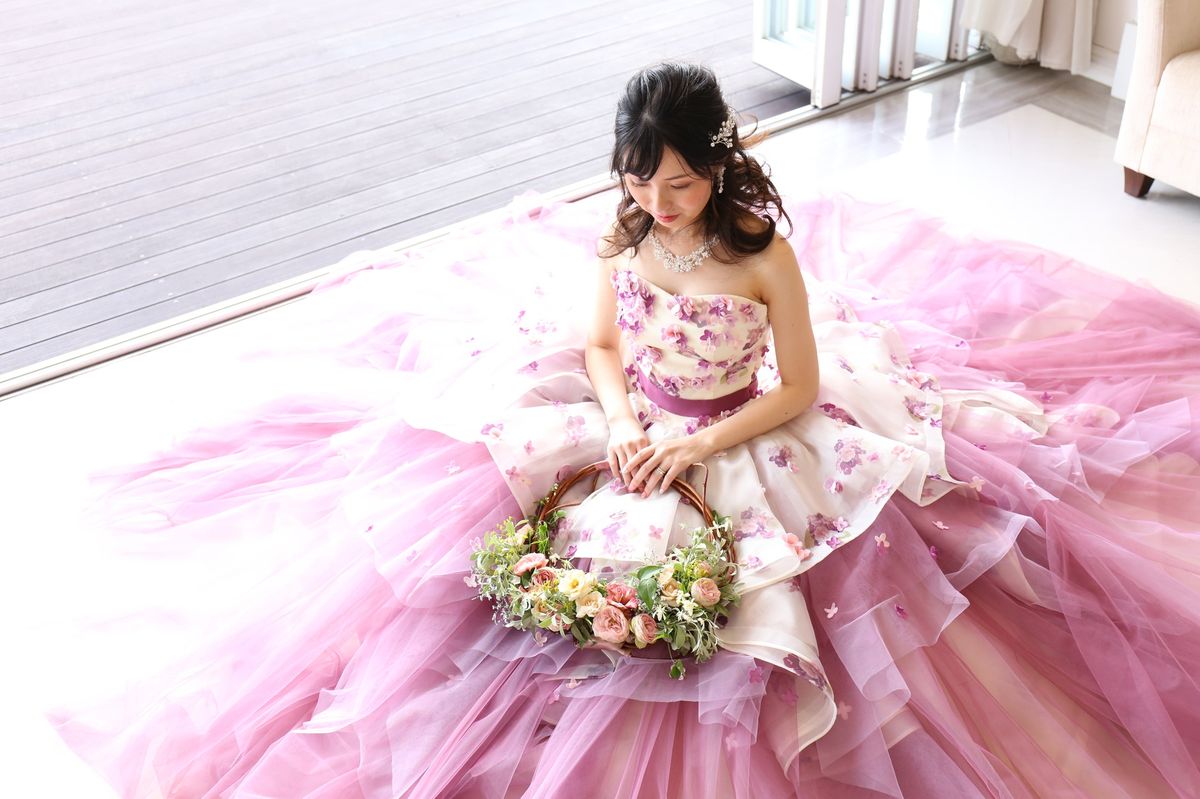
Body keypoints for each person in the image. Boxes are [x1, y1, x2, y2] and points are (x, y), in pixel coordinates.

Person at [38, 62, 1200, 798]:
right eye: (642, 182)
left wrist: (697, 445)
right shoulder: (627, 232)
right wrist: (621, 419)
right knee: (491, 558)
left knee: (783, 594)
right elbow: (602, 342)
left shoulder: (761, 254)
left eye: (680, 185)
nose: (659, 203)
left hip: (746, 428)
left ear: (721, 167)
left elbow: (798, 387)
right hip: (633, 417)